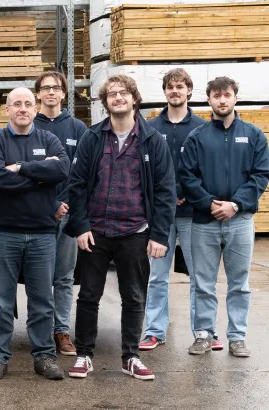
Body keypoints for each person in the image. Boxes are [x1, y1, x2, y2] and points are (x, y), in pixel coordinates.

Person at [64, 74, 175, 381]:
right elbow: (76, 185)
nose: (118, 97)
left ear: (134, 98)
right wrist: (81, 225)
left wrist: (159, 235)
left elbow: (165, 191)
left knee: (135, 296)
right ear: (106, 102)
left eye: (123, 92)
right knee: (88, 295)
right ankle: (84, 355)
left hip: (135, 232)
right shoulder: (92, 137)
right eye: (112, 94)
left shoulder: (153, 141)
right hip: (96, 232)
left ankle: (130, 356)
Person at [0, 87, 68, 381]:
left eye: (28, 104)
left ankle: (44, 356)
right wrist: (40, 176)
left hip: (42, 234)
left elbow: (62, 170)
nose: (22, 108)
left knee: (43, 300)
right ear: (6, 110)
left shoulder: (49, 138)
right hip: (2, 232)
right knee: (1, 301)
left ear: (35, 108)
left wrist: (19, 168)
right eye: (16, 104)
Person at [180, 76, 269, 358]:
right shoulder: (197, 137)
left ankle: (237, 337)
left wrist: (235, 205)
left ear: (235, 98)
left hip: (240, 222)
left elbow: (261, 175)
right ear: (208, 100)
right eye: (216, 95)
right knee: (203, 283)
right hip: (205, 223)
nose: (221, 100)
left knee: (239, 284)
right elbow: (187, 177)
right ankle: (204, 334)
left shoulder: (254, 135)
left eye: (226, 95)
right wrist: (209, 204)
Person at [140, 68, 207, 352]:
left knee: (198, 276)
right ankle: (155, 331)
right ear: (165, 92)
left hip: (194, 214)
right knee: (157, 276)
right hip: (160, 216)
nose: (175, 91)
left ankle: (203, 331)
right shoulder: (151, 127)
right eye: (170, 87)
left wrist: (186, 193)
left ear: (189, 91)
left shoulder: (203, 127)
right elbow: (145, 169)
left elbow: (207, 169)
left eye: (180, 86)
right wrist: (167, 197)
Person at [33, 71, 88, 356]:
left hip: (68, 215)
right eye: (46, 88)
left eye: (56, 88)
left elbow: (82, 174)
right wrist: (49, 203)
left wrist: (65, 203)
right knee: (39, 276)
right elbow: (27, 170)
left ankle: (62, 331)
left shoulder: (78, 129)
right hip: (37, 213)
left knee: (64, 277)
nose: (51, 93)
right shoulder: (30, 126)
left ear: (64, 94)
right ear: (38, 94)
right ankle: (41, 331)